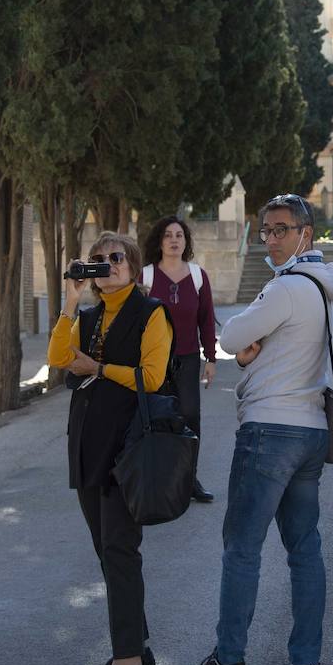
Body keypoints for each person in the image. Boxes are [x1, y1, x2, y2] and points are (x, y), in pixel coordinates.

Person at [194, 194, 333, 665]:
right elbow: (254, 349)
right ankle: (306, 663)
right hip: (310, 431)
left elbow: (233, 335)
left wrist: (245, 349)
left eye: (281, 229)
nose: (271, 238)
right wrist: (251, 353)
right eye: (266, 230)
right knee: (305, 549)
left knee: (242, 549)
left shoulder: (287, 288)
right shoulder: (320, 289)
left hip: (269, 431)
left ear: (306, 233)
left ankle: (229, 660)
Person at [48, 232, 172, 665]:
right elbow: (59, 359)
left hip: (127, 448)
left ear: (134, 266)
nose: (107, 265)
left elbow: (152, 378)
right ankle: (134, 649)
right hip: (87, 445)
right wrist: (70, 301)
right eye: (98, 260)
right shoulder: (89, 314)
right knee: (107, 552)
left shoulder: (150, 312)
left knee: (120, 552)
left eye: (116, 258)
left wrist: (97, 369)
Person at [141, 215, 217, 503]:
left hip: (187, 359)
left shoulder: (198, 276)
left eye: (179, 235)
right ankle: (159, 481)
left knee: (190, 417)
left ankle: (189, 479)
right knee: (158, 418)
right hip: (153, 362)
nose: (174, 240)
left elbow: (206, 320)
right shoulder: (146, 277)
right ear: (159, 242)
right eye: (168, 235)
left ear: (186, 242)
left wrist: (211, 358)